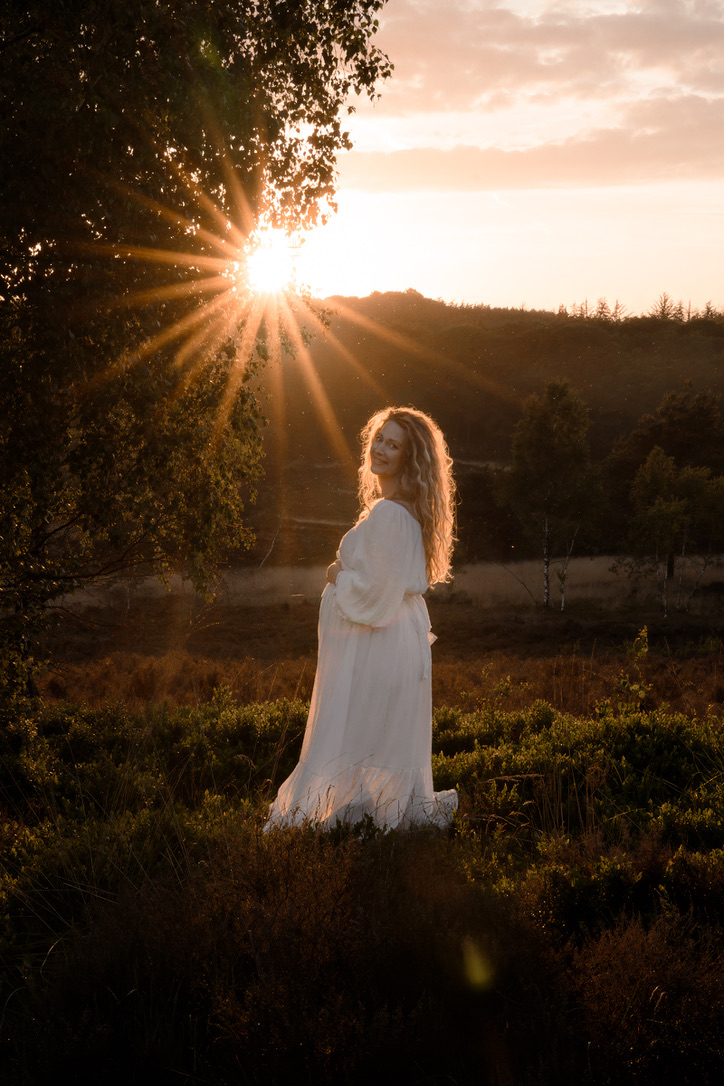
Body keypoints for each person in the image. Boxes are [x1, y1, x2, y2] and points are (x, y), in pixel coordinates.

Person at [264, 406, 458, 831]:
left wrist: (337, 575)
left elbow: (372, 595)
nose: (382, 449)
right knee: (380, 737)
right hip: (396, 639)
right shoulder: (402, 510)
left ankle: (354, 832)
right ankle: (377, 828)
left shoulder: (390, 514)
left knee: (360, 732)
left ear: (410, 458)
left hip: (382, 642)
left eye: (394, 444)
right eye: (379, 439)